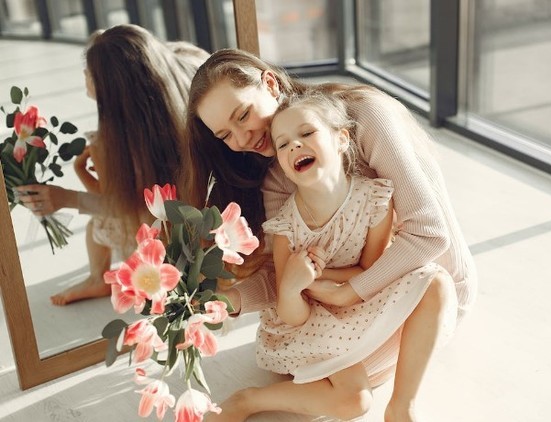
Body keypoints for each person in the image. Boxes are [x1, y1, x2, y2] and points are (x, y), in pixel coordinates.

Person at [182, 48, 477, 422]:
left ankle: (393, 404)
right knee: (335, 383)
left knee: (342, 381)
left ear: (270, 84)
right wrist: (231, 300)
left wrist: (348, 290)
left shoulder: (364, 117)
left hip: (429, 294)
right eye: (225, 135)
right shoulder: (279, 175)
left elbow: (428, 234)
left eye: (243, 115)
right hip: (343, 307)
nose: (241, 138)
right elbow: (285, 274)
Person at [16, 24, 209, 306]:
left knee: (100, 224)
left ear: (112, 88)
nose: (84, 75)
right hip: (202, 213)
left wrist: (68, 198)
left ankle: (99, 278)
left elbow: (132, 208)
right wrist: (82, 172)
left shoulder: (124, 141)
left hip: (188, 229)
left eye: (90, 72)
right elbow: (121, 195)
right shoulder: (177, 73)